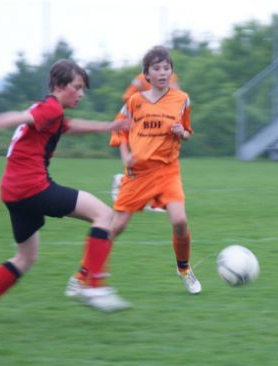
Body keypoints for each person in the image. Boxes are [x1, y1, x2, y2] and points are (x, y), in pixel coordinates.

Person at [0, 59, 132, 319]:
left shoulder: (52, 110)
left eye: (83, 88)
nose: (81, 93)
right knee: (104, 215)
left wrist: (109, 126)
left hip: (12, 191)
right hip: (32, 187)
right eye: (77, 87)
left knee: (26, 257)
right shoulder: (50, 109)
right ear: (60, 86)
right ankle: (92, 286)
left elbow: (70, 127)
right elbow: (23, 117)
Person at [69, 46, 201, 295]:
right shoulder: (135, 101)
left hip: (168, 170)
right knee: (115, 227)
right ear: (147, 74)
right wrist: (126, 155)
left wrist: (181, 133)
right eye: (156, 68)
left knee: (180, 221)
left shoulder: (182, 99)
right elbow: (120, 130)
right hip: (138, 173)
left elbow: (187, 132)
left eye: (166, 68)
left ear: (172, 71)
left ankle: (184, 268)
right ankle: (82, 273)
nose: (162, 72)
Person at [109, 71, 180, 212]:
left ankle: (126, 183)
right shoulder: (141, 78)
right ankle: (152, 199)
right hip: (139, 124)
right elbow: (127, 96)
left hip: (158, 124)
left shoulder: (170, 77)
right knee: (146, 161)